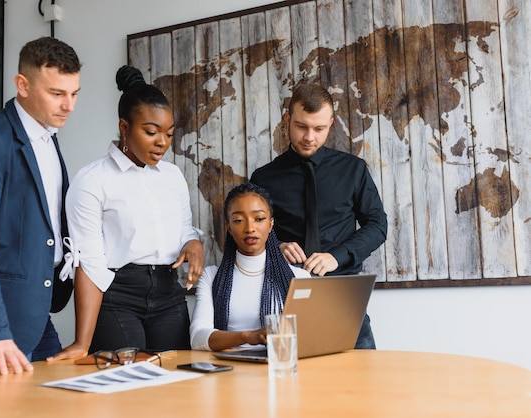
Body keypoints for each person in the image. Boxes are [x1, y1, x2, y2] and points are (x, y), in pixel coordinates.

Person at [47, 65, 203, 361]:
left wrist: (193, 243)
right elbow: (89, 262)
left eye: (169, 134)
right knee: (125, 390)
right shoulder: (92, 180)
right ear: (124, 128)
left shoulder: (172, 175)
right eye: (151, 132)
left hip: (170, 296)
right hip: (118, 297)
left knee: (177, 384)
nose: (162, 143)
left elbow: (185, 229)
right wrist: (82, 342)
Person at [0, 37, 82, 375]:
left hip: (38, 312)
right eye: (57, 94)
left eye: (74, 93)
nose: (69, 106)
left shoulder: (49, 136)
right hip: (3, 322)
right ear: (22, 85)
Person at [250, 83, 387, 349]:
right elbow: (249, 235)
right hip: (284, 296)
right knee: (291, 385)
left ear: (331, 123)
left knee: (363, 381)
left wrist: (338, 256)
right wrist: (275, 245)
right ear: (287, 119)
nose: (309, 137)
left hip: (344, 297)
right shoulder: (263, 178)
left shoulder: (353, 170)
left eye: (319, 128)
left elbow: (378, 225)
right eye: (301, 126)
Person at [190, 183, 310, 351]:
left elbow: (310, 337)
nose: (249, 228)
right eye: (238, 220)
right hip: (229, 371)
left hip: (280, 367)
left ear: (270, 223)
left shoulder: (299, 278)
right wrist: (248, 337)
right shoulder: (212, 276)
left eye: (259, 219)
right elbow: (198, 338)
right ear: (229, 227)